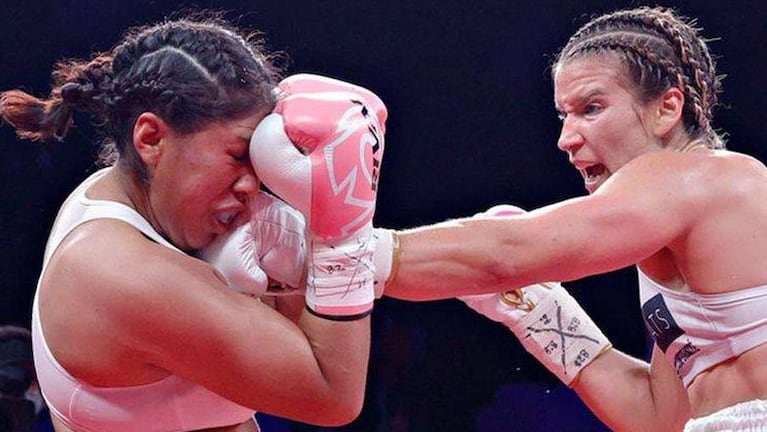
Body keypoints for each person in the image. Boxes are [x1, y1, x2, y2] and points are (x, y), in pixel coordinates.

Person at [376, 6, 767, 431]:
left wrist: (353, 252)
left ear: (666, 109)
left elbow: (510, 251)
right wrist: (540, 313)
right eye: (565, 115)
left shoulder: (702, 177)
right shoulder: (684, 242)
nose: (566, 139)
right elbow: (659, 418)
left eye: (592, 108)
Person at [0, 13, 388, 432]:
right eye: (239, 155)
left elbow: (300, 332)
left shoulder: (140, 203)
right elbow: (332, 394)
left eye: (259, 159)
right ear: (150, 139)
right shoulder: (119, 271)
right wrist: (338, 229)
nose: (252, 184)